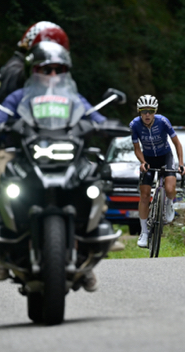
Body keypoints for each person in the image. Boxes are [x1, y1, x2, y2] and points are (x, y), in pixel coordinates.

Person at [0, 42, 105, 291]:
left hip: (69, 156)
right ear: (34, 70)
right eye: (46, 69)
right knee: (4, 184)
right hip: (29, 158)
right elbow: (2, 114)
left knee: (94, 179)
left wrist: (103, 124)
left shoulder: (74, 98)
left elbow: (95, 117)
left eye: (58, 69)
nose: (52, 75)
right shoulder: (20, 97)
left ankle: (88, 255)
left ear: (66, 71)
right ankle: (4, 252)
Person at [129, 94, 185, 248]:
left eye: (150, 111)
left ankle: (169, 204)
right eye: (143, 111)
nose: (147, 114)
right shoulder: (134, 125)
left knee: (170, 189)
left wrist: (181, 164)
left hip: (165, 156)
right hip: (148, 158)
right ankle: (144, 232)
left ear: (155, 111)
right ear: (139, 112)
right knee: (144, 195)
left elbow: (177, 144)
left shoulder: (163, 121)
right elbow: (137, 148)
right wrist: (143, 162)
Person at [0, 21, 70, 102]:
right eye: (46, 70)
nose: (54, 76)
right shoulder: (15, 72)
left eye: (58, 70)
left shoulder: (13, 65)